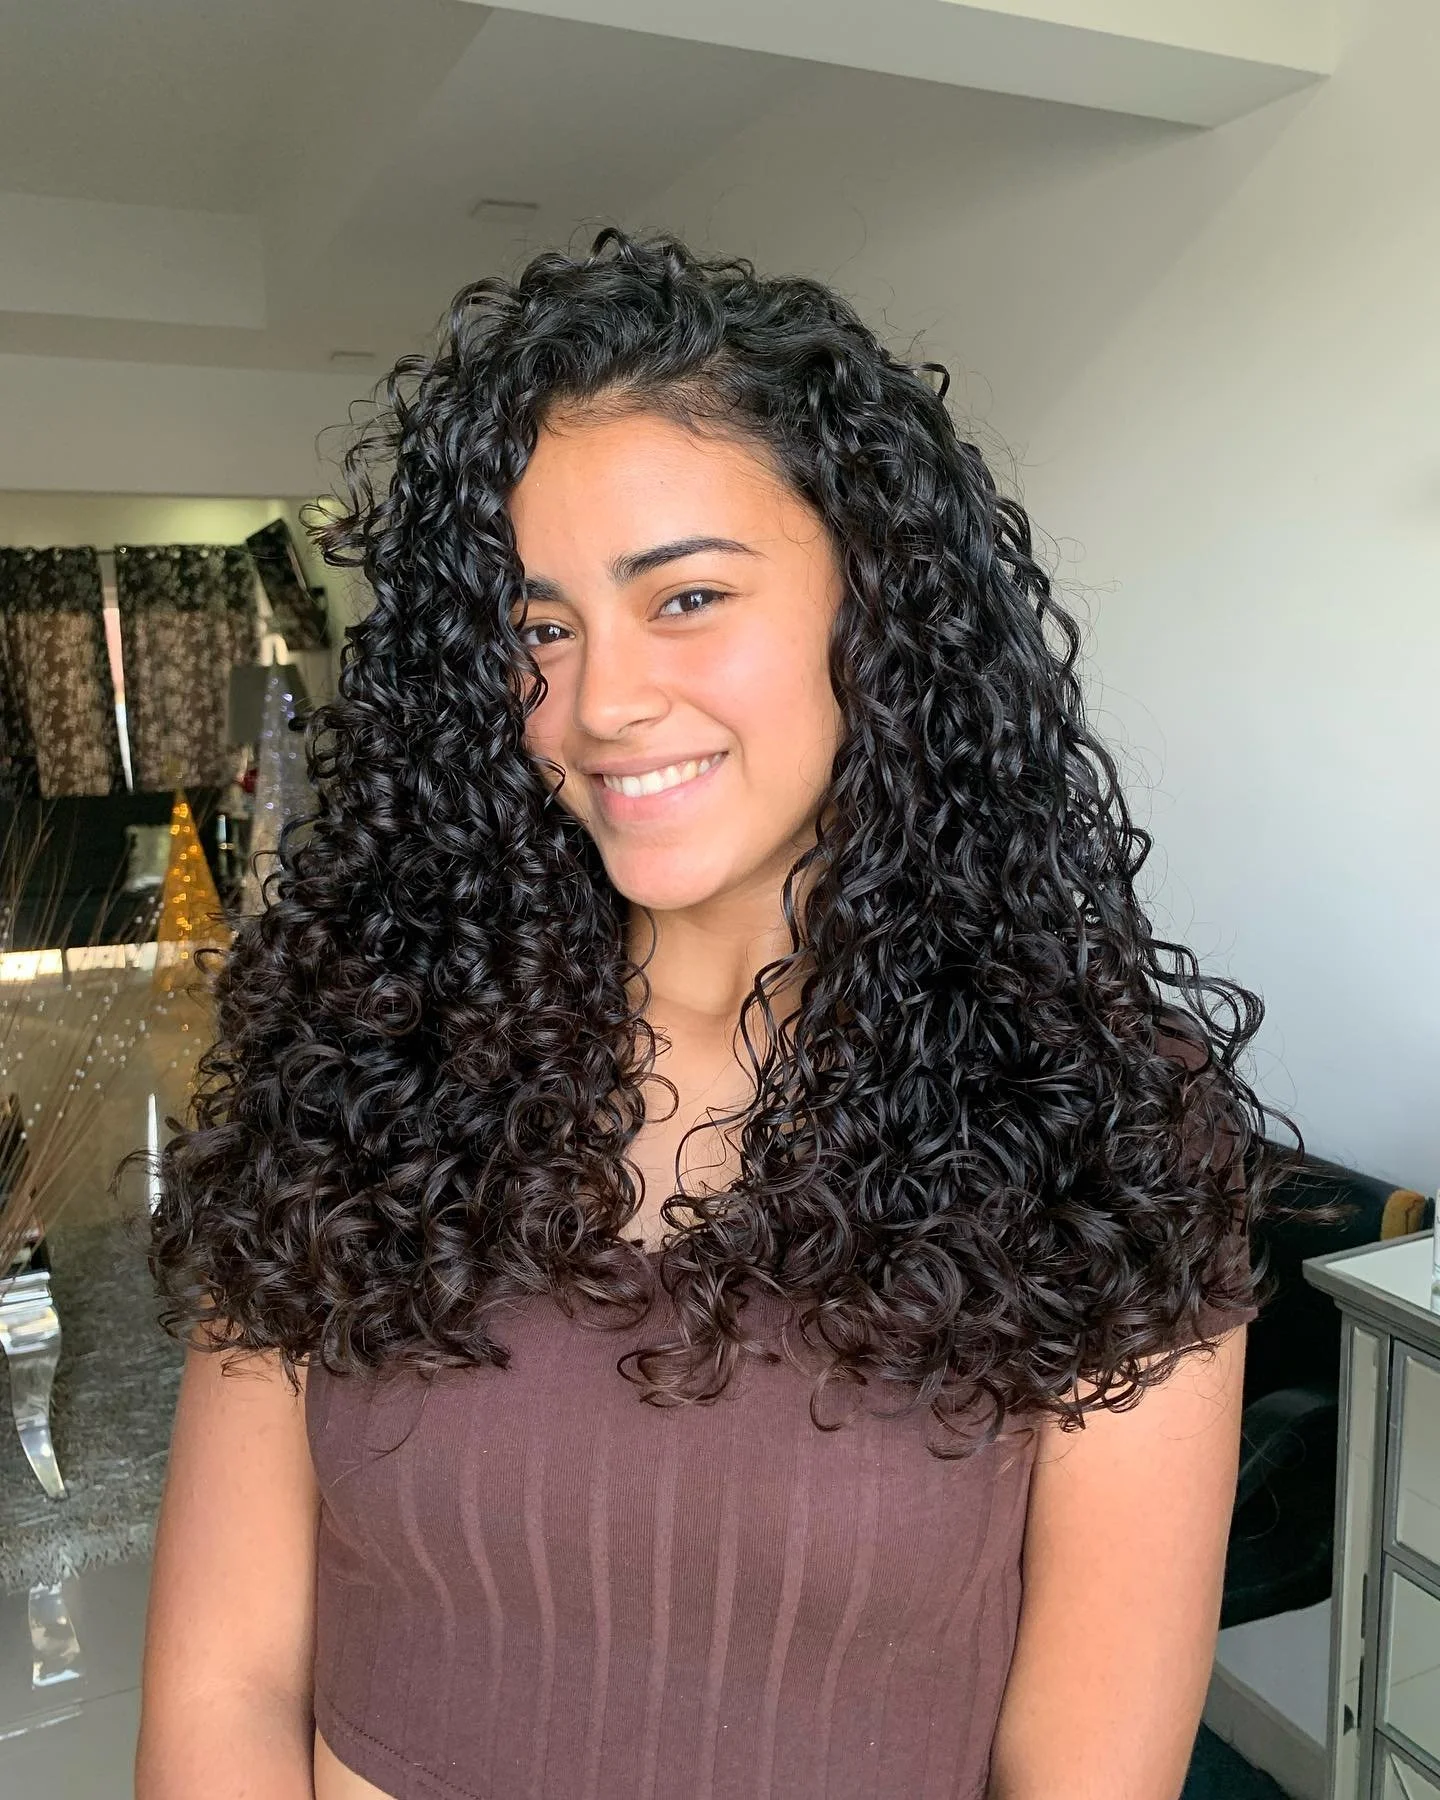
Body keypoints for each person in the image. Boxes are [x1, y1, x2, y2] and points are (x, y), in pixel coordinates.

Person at [134, 226, 1299, 1800]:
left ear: (874, 610)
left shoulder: (1099, 1122)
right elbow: (224, 1682)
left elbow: (1084, 1770)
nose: (598, 699)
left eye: (683, 596)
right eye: (540, 627)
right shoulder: (359, 1055)